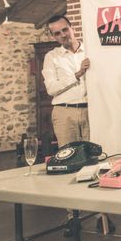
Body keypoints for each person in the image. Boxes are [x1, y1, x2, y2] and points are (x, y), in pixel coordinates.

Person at [42, 15, 90, 147]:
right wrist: (78, 74)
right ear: (53, 36)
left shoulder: (90, 51)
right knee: (69, 157)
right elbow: (51, 88)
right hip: (64, 113)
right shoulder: (51, 57)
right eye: (57, 33)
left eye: (65, 29)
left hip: (91, 111)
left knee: (95, 155)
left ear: (72, 28)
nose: (63, 35)